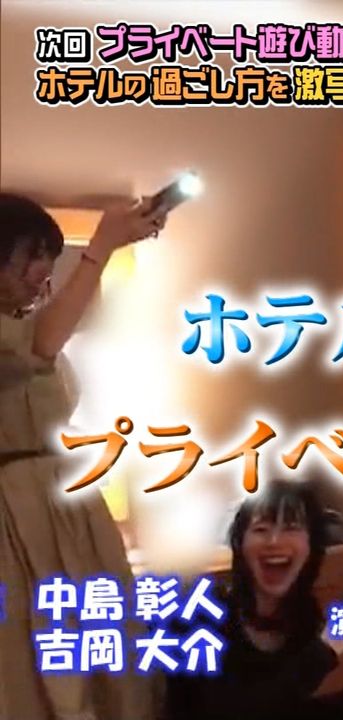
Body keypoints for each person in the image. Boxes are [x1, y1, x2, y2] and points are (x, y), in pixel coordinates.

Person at [1, 192, 167, 719]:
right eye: (30, 255)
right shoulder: (17, 338)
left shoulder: (27, 326)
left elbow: (48, 338)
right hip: (14, 513)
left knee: (107, 657)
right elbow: (38, 346)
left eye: (48, 256)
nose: (42, 270)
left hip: (69, 507)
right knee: (32, 665)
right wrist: (101, 248)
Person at [162, 480, 343, 720]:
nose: (274, 541)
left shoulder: (301, 617)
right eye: (261, 529)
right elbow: (231, 711)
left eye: (291, 528)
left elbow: (280, 707)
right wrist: (326, 650)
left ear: (311, 547)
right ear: (240, 544)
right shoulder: (202, 614)